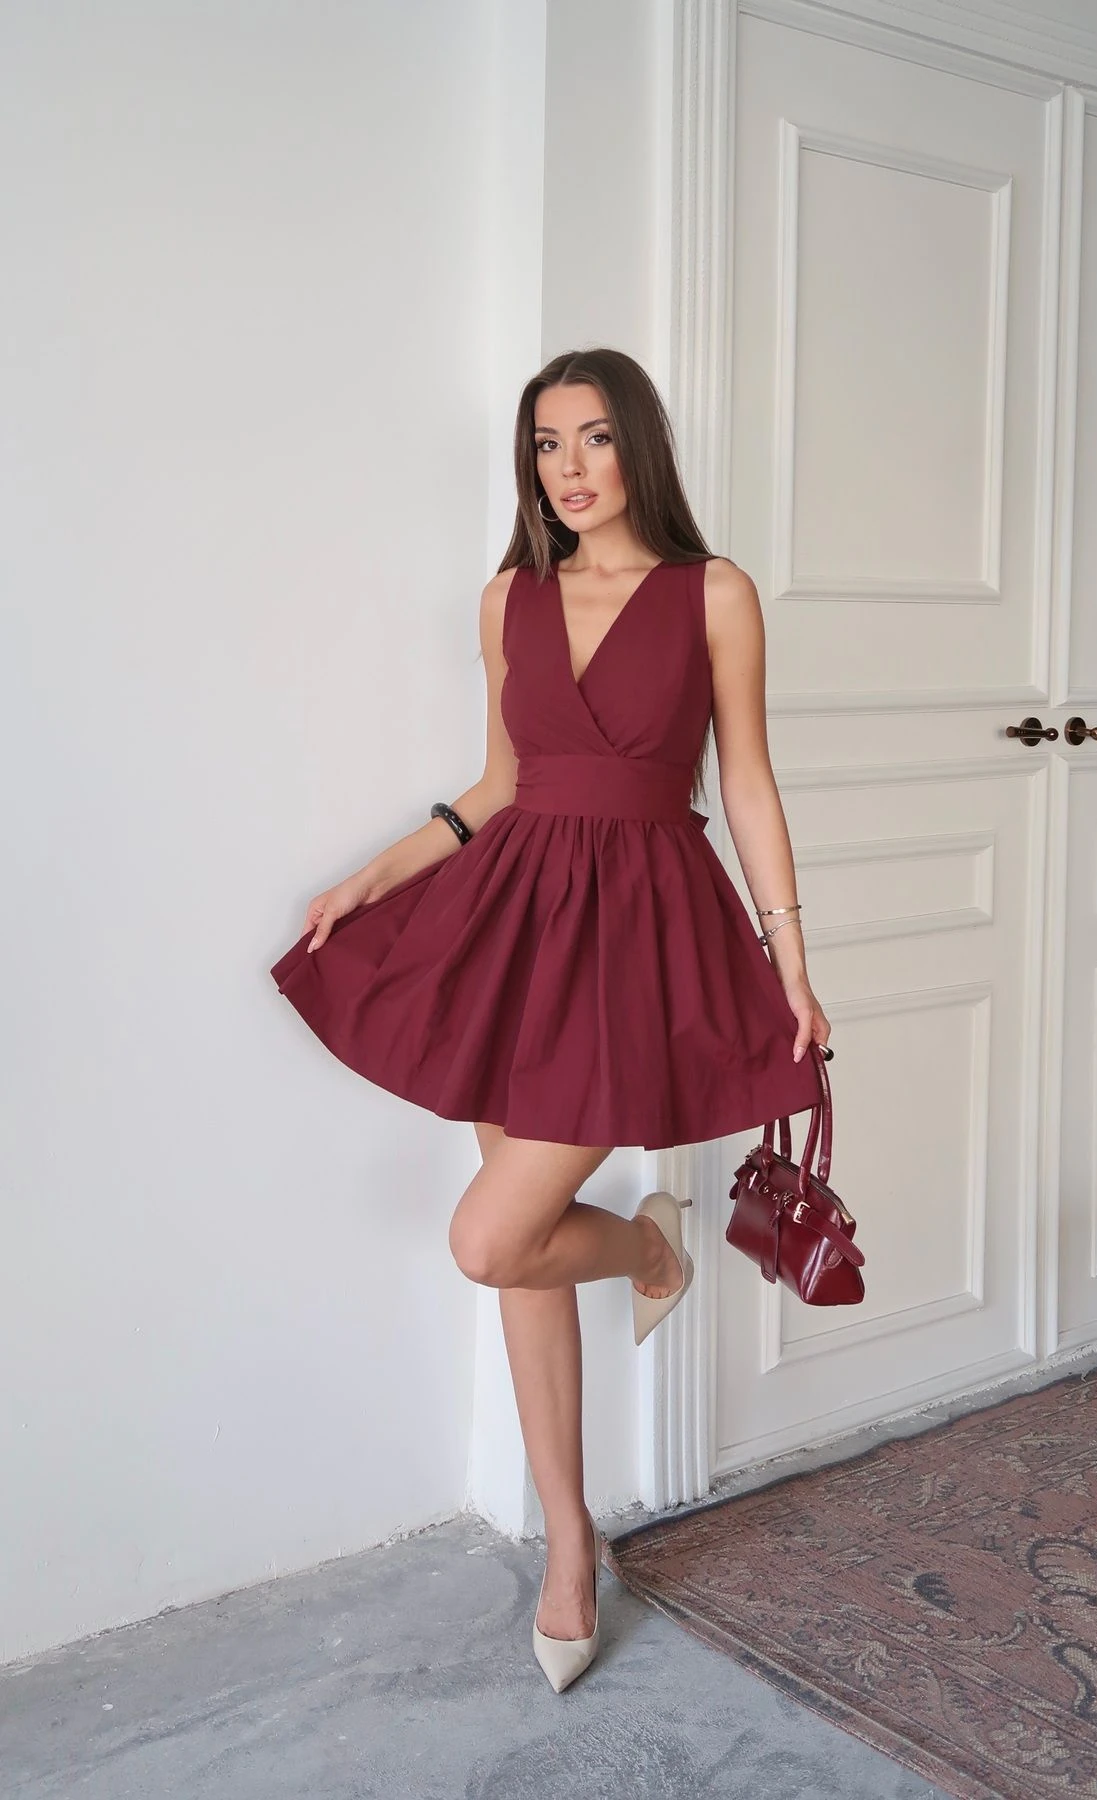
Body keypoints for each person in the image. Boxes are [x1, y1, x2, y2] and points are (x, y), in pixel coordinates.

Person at [269, 346, 832, 1692]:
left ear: (639, 445)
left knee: (493, 1234)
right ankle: (570, 1541)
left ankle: (647, 1246)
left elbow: (746, 783)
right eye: (544, 444)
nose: (568, 469)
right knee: (518, 1254)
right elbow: (500, 784)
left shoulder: (715, 594)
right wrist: (372, 878)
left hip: (638, 931)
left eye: (593, 438)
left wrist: (792, 958)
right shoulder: (509, 597)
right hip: (511, 926)